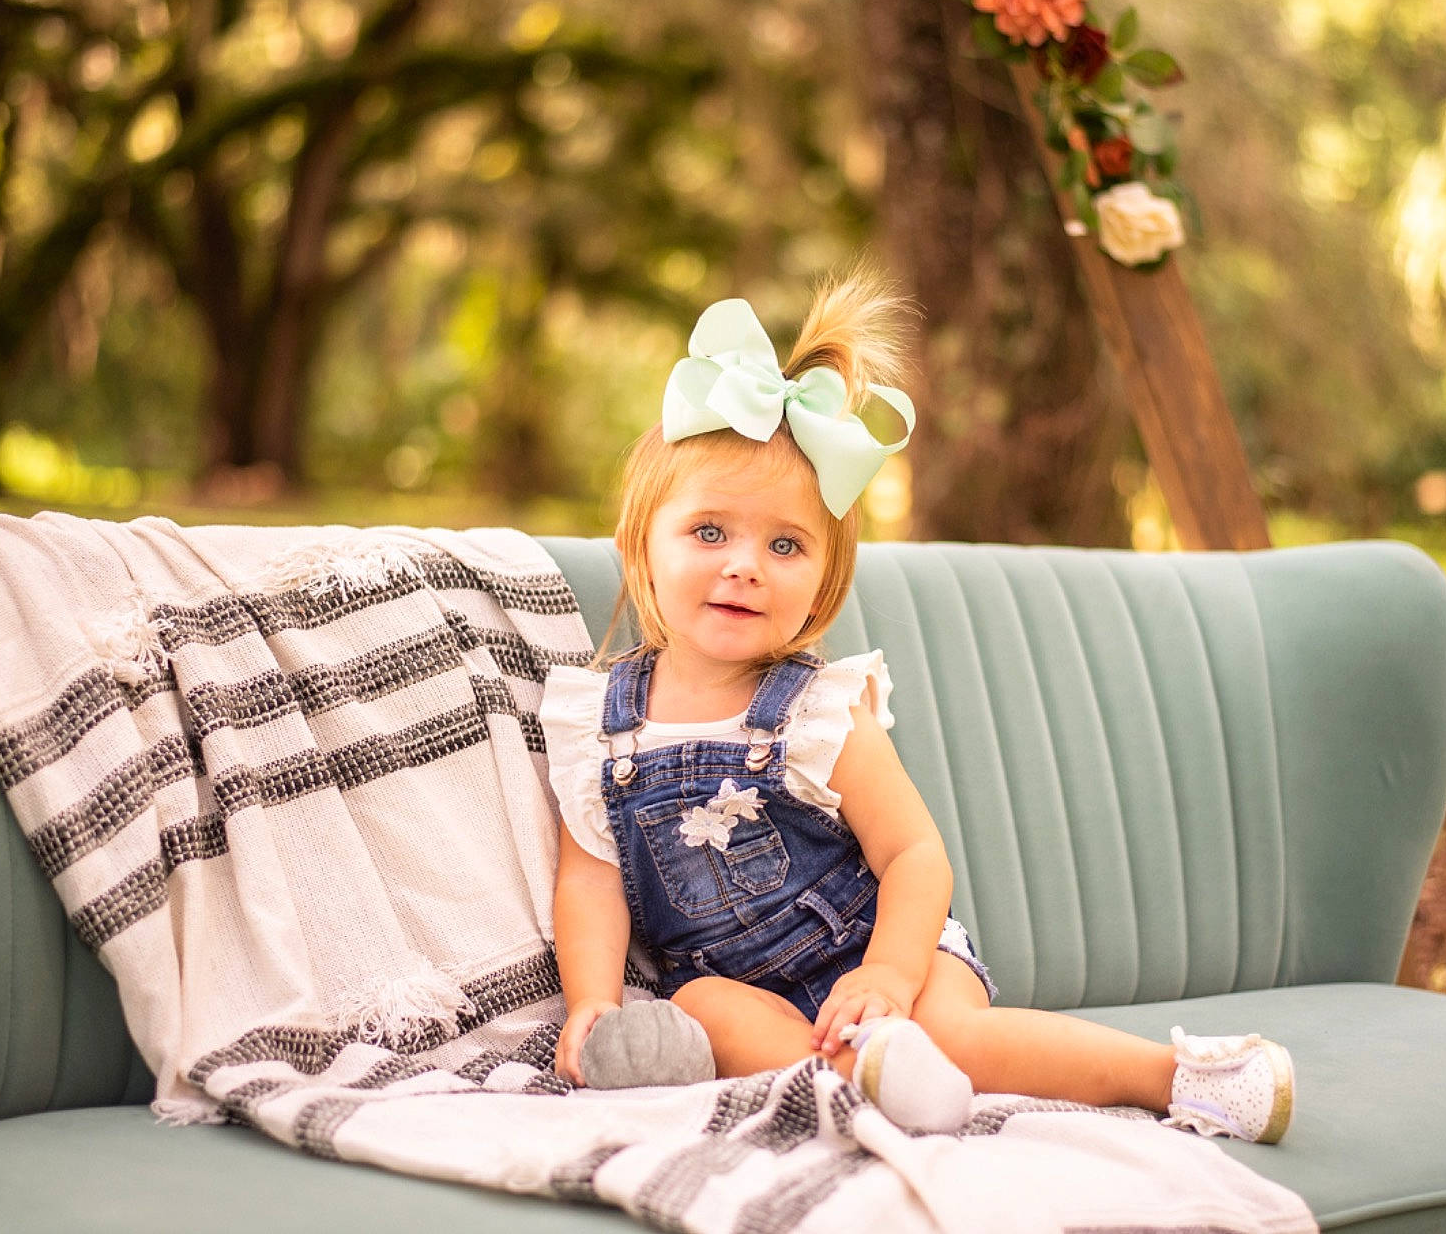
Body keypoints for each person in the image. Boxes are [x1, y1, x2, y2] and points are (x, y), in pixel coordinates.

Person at [541, 272, 1293, 1141]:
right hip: (753, 992)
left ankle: (1184, 1080)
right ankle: (861, 1082)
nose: (744, 563)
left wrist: (891, 979)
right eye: (710, 531)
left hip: (889, 950)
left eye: (785, 543)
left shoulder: (817, 711)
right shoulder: (597, 726)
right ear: (643, 545)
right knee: (702, 1001)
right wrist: (592, 1002)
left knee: (952, 1032)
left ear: (825, 576)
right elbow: (592, 881)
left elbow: (915, 853)